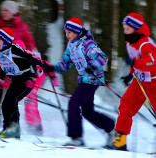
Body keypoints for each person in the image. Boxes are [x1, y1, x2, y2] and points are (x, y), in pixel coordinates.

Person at [41, 17, 115, 146]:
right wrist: (52, 68)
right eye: (65, 32)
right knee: (88, 112)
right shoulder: (71, 45)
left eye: (69, 32)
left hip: (92, 80)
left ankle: (76, 138)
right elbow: (65, 64)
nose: (67, 35)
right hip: (83, 80)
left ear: (76, 31)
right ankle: (111, 128)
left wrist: (93, 66)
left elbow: (102, 58)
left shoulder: (87, 44)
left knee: (73, 103)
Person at [106, 13, 156, 151]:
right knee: (125, 106)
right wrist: (130, 74)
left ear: (136, 29)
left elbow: (152, 63)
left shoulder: (145, 44)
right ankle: (121, 141)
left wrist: (135, 63)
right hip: (139, 81)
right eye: (124, 28)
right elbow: (135, 61)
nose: (125, 31)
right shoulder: (130, 43)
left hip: (154, 82)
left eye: (127, 29)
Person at [0, 0, 36, 128]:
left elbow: (30, 44)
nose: (3, 12)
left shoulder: (22, 27)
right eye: (2, 10)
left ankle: (13, 126)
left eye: (6, 10)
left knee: (11, 97)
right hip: (0, 65)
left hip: (18, 67)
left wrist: (22, 56)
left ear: (13, 12)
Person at [0, 27, 43, 138]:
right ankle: (7, 128)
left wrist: (32, 78)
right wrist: (0, 79)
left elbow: (31, 59)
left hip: (26, 80)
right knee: (5, 103)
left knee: (12, 100)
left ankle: (15, 128)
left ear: (6, 40)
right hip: (16, 80)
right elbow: (3, 66)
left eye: (0, 40)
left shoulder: (14, 49)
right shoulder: (1, 53)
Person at [13, 40, 59, 135]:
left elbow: (44, 64)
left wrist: (53, 76)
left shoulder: (30, 57)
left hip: (37, 78)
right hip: (28, 79)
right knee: (27, 100)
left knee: (30, 98)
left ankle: (38, 126)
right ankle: (30, 123)